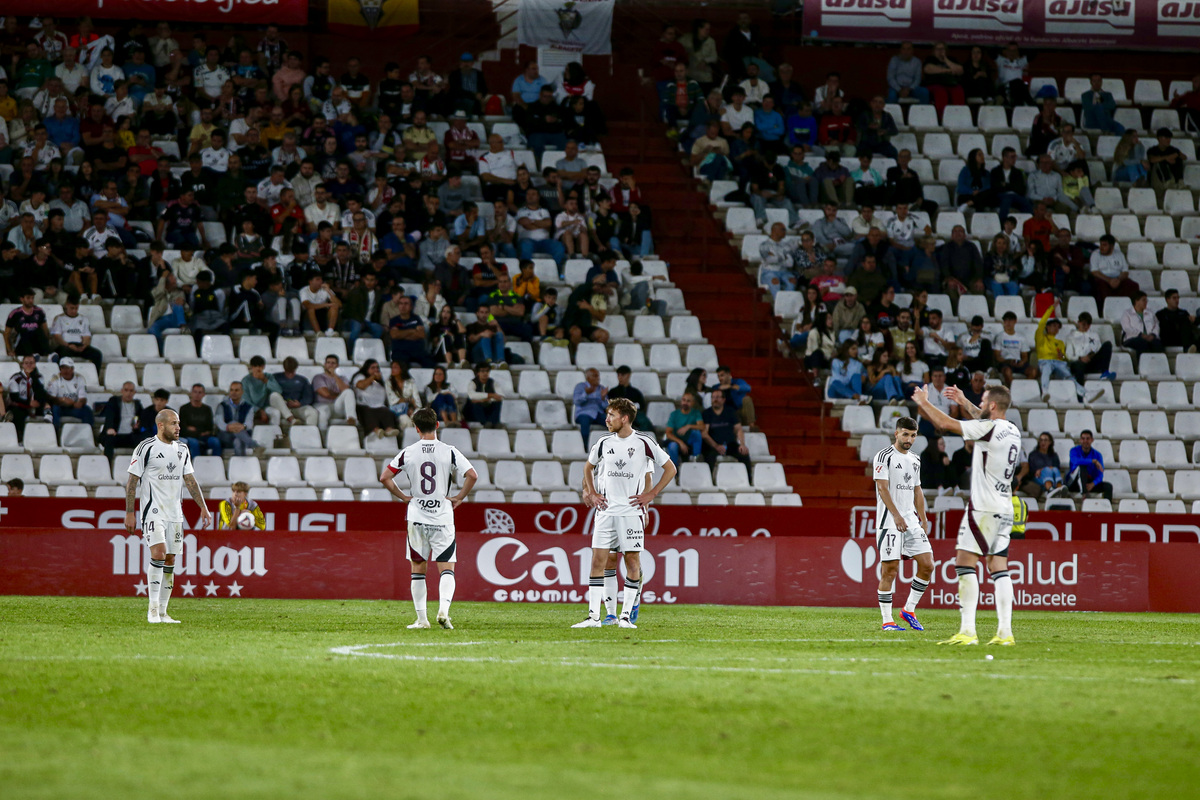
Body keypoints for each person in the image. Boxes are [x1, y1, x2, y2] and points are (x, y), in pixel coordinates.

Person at [912, 382, 1019, 646]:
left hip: (983, 508)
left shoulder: (989, 428)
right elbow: (981, 420)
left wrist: (924, 403)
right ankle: (1005, 633)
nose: (980, 404)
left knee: (963, 562)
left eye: (983, 401)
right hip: (1005, 505)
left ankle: (968, 631)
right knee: (998, 566)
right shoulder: (1011, 430)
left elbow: (947, 425)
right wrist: (962, 400)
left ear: (993, 405)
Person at [576, 397, 676, 629]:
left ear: (625, 418)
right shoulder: (603, 443)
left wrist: (650, 497)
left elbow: (665, 470)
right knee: (601, 561)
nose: (606, 419)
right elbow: (588, 467)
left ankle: (626, 616)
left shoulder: (644, 443)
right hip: (606, 512)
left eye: (611, 415)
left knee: (631, 560)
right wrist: (590, 491)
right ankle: (597, 616)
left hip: (631, 512)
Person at [380, 407, 478, 630]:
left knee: (417, 568)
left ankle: (422, 619)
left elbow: (384, 477)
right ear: (437, 425)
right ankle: (443, 609)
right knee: (447, 568)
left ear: (416, 428)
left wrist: (404, 496)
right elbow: (472, 475)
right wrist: (460, 497)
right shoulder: (449, 451)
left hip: (417, 516)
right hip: (442, 516)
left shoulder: (408, 452)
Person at [125, 407, 213, 623]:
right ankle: (152, 610)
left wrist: (203, 506)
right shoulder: (146, 447)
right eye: (174, 423)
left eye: (179, 423)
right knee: (159, 553)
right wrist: (129, 512)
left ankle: (163, 612)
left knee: (171, 559)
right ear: (161, 425)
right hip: (153, 511)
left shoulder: (183, 449)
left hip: (175, 513)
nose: (178, 427)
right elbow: (132, 481)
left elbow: (190, 480)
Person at [872, 417, 934, 632]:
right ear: (896, 433)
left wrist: (923, 518)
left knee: (927, 565)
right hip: (889, 521)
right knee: (890, 570)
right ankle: (887, 621)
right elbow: (882, 488)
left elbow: (917, 490)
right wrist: (896, 516)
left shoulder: (916, 459)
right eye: (905, 434)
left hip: (912, 521)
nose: (909, 439)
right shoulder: (884, 456)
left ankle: (908, 609)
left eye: (913, 435)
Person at [1035, 302, 1094, 402]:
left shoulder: (1060, 342)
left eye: (1057, 326)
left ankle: (1085, 393)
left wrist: (1062, 356)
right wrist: (1051, 308)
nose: (1056, 328)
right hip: (1045, 361)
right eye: (1053, 325)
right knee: (1046, 369)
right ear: (1047, 327)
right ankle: (1044, 391)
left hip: (1058, 363)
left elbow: (1064, 358)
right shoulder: (1040, 338)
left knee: (1068, 375)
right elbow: (1041, 323)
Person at [700, 387, 750, 471]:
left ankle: (749, 480)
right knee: (709, 456)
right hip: (713, 445)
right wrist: (716, 446)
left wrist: (742, 444)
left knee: (744, 453)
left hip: (729, 444)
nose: (715, 399)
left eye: (718, 397)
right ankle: (710, 481)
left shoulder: (730, 412)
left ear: (723, 399)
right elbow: (705, 434)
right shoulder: (706, 413)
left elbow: (738, 429)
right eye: (713, 397)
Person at [49, 294, 102, 368]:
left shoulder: (84, 319)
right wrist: (68, 345)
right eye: (72, 308)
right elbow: (57, 336)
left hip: (79, 345)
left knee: (97, 354)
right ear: (67, 305)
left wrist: (84, 346)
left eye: (76, 308)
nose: (74, 311)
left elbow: (86, 336)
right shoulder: (59, 319)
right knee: (62, 354)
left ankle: (96, 376)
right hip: (65, 346)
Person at [353, 359, 397, 439]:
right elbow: (361, 385)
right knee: (369, 413)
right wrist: (373, 376)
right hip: (364, 405)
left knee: (387, 412)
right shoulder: (360, 376)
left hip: (379, 406)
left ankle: (389, 430)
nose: (376, 370)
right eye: (373, 368)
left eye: (377, 368)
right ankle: (376, 430)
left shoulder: (380, 381)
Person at [1067, 312, 1115, 384]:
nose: (1086, 327)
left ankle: (1105, 373)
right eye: (1084, 324)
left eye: (1088, 324)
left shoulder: (1094, 335)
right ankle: (1081, 393)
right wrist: (1080, 358)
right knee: (1079, 365)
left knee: (1108, 344)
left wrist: (1090, 355)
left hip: (1090, 361)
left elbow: (1098, 349)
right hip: (1078, 362)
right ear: (1078, 322)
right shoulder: (1071, 336)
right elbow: (1068, 355)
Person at [101, 381, 143, 462]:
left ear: (134, 392)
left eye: (131, 391)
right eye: (126, 390)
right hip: (115, 435)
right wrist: (110, 427)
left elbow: (140, 419)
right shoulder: (114, 401)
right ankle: (107, 466)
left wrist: (137, 426)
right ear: (122, 391)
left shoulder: (137, 404)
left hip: (130, 436)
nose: (128, 393)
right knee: (109, 440)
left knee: (143, 442)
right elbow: (109, 415)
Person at [312, 355, 357, 429]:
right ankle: (323, 437)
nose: (330, 365)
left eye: (333, 363)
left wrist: (334, 375)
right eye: (328, 362)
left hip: (336, 405)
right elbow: (326, 394)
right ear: (324, 364)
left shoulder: (342, 378)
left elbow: (345, 390)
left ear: (337, 365)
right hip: (322, 405)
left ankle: (351, 418)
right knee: (323, 413)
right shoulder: (318, 377)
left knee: (349, 392)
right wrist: (339, 394)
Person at [215, 381, 260, 456]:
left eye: (236, 390)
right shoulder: (222, 405)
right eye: (231, 390)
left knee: (238, 442)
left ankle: (240, 467)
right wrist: (229, 427)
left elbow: (249, 423)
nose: (233, 392)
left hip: (241, 436)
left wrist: (242, 426)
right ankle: (253, 445)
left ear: (242, 392)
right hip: (225, 436)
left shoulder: (248, 407)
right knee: (232, 422)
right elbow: (220, 423)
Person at [47, 357, 92, 429]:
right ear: (60, 369)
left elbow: (83, 398)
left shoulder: (79, 378)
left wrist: (80, 403)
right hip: (59, 406)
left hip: (73, 406)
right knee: (54, 409)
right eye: (63, 368)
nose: (66, 371)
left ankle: (87, 432)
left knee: (87, 410)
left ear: (72, 369)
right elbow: (50, 398)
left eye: (68, 368)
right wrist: (62, 400)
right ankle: (55, 433)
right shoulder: (55, 378)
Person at [1068, 429, 1112, 501]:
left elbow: (1100, 473)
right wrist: (1092, 461)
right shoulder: (1074, 450)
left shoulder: (1097, 455)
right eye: (1083, 439)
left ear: (1092, 440)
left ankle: (1108, 509)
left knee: (1108, 486)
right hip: (1075, 483)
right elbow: (1075, 461)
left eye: (1088, 439)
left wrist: (1093, 484)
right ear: (1080, 440)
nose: (1085, 441)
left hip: (1089, 483)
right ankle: (1084, 494)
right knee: (1082, 467)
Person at [664, 392, 705, 467]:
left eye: (688, 401)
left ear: (693, 403)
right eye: (684, 400)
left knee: (696, 433)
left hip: (689, 440)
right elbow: (668, 433)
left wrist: (689, 426)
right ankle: (674, 469)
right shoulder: (674, 414)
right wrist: (681, 443)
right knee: (672, 446)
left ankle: (695, 459)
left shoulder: (696, 413)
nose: (685, 403)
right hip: (676, 440)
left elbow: (702, 426)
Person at [180, 383, 220, 458]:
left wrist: (195, 430)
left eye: (200, 392)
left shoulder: (207, 409)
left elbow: (209, 428)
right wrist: (199, 432)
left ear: (203, 394)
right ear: (191, 393)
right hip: (190, 436)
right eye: (195, 392)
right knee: (194, 443)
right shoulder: (184, 409)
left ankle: (215, 464)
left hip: (204, 436)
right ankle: (196, 465)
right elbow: (183, 428)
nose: (197, 394)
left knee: (215, 441)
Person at [1120, 291, 1164, 356]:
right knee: (1141, 343)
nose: (1146, 302)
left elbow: (1156, 324)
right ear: (1136, 301)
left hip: (1150, 337)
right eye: (1143, 300)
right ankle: (1142, 363)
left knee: (1157, 343)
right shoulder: (1127, 313)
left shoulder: (1150, 312)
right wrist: (1141, 335)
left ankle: (1157, 364)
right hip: (1132, 338)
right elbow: (1127, 328)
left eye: (1146, 300)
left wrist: (1153, 334)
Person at [573, 368, 607, 445]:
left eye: (598, 376)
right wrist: (586, 393)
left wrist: (603, 398)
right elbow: (576, 401)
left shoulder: (601, 388)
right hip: (583, 413)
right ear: (588, 378)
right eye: (595, 376)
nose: (598, 378)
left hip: (598, 414)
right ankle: (584, 448)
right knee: (585, 423)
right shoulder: (580, 387)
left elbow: (606, 407)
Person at [463, 362, 503, 428]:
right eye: (482, 371)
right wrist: (489, 395)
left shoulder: (493, 382)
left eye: (487, 371)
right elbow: (472, 396)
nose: (485, 373)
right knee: (473, 402)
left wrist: (487, 399)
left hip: (487, 407)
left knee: (498, 402)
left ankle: (493, 422)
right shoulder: (472, 383)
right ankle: (485, 423)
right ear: (478, 373)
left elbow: (500, 396)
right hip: (474, 413)